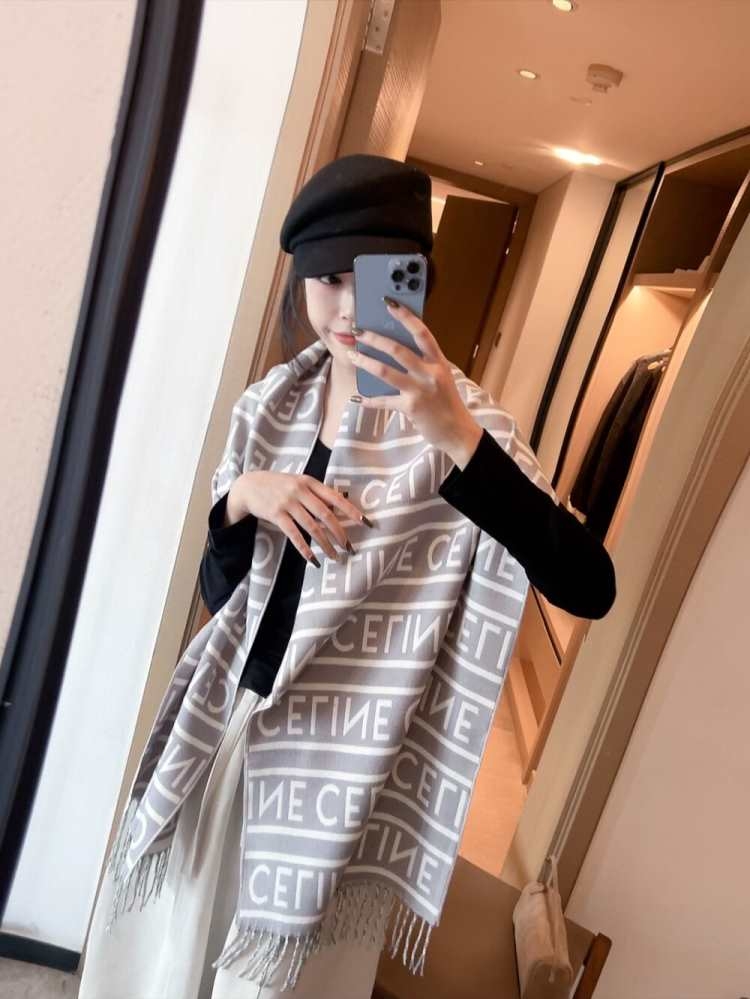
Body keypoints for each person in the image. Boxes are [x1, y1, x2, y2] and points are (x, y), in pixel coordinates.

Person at [78, 154, 615, 999]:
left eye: (367, 281)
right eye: (324, 280)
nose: (342, 308)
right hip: (229, 731)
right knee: (167, 965)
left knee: (275, 986)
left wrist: (456, 436)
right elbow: (222, 598)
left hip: (340, 772)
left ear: (413, 281)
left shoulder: (467, 421)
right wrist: (243, 499)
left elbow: (589, 585)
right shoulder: (269, 408)